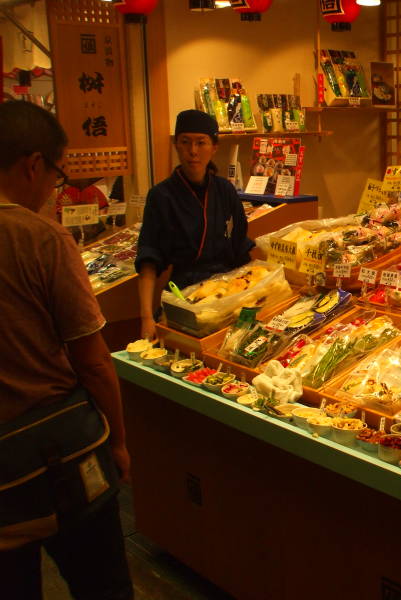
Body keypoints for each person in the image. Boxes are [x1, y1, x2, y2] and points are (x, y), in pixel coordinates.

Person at [0, 101, 132, 599]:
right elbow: (93, 361)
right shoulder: (40, 237)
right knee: (103, 585)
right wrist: (118, 441)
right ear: (34, 165)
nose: (54, 190)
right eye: (57, 177)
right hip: (57, 454)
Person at [136, 109, 255, 340]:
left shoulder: (225, 191)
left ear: (214, 147)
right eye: (185, 142)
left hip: (228, 295)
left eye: (201, 143)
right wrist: (146, 318)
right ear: (176, 145)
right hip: (183, 297)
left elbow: (243, 248)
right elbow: (148, 261)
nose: (193, 151)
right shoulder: (161, 196)